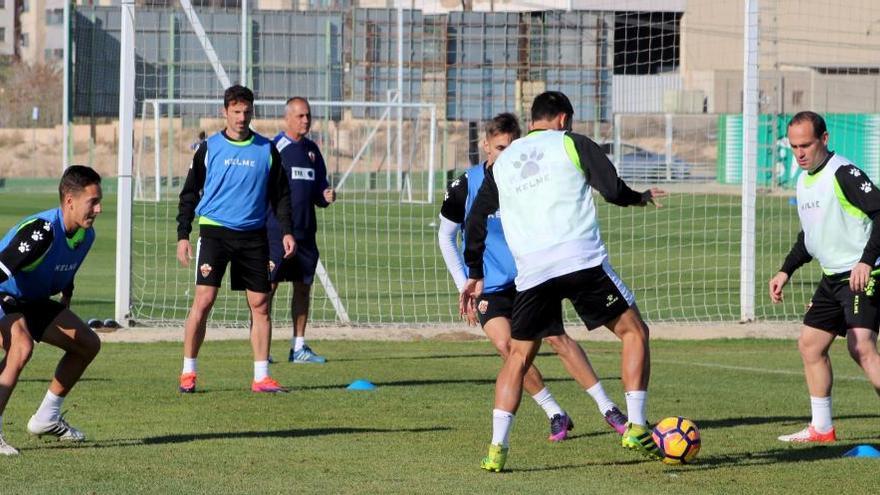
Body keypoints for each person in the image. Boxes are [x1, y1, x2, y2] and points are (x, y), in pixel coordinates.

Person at [461, 91, 667, 471]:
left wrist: (474, 272)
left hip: (532, 273)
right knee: (635, 331)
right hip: (580, 260)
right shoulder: (572, 142)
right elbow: (611, 188)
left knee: (518, 358)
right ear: (562, 118)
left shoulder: (503, 164)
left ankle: (496, 449)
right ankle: (636, 425)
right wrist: (640, 198)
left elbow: (475, 222)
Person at [438, 112, 628, 443]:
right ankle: (554, 411)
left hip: (531, 279)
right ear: (485, 146)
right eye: (499, 148)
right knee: (508, 348)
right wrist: (465, 282)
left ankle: (608, 407)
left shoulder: (525, 179)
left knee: (558, 340)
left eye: (512, 147)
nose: (505, 155)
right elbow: (446, 236)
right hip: (490, 288)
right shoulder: (465, 185)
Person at [769, 111, 880, 443]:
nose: (800, 153)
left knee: (861, 348)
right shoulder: (804, 181)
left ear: (825, 139)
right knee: (810, 344)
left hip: (865, 273)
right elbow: (810, 236)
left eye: (806, 144)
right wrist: (785, 270)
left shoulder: (842, 172)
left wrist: (866, 261)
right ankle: (821, 428)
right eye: (794, 147)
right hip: (833, 278)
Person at [176, 85, 295, 394]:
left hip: (253, 235)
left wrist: (286, 230)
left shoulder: (266, 149)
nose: (242, 118)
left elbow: (280, 194)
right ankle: (188, 372)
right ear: (224, 112)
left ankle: (261, 377)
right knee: (204, 301)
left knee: (261, 304)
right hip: (215, 232)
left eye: (246, 112)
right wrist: (183, 235)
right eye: (236, 112)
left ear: (252, 112)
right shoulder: (209, 148)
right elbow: (189, 194)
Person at [0, 165, 104, 456]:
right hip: (4, 294)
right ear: (69, 201)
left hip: (32, 300)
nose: (99, 208)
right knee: (20, 348)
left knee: (87, 343)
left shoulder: (86, 235)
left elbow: (65, 273)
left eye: (99, 200)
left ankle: (46, 419)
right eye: (92, 202)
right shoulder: (41, 231)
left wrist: (66, 301)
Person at [266, 97, 336, 364]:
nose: (306, 120)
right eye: (300, 116)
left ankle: (299, 348)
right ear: (288, 118)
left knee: (303, 289)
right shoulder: (275, 148)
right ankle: (262, 349)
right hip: (275, 233)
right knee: (267, 289)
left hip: (306, 234)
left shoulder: (312, 151)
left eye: (308, 116)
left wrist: (326, 195)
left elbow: (319, 190)